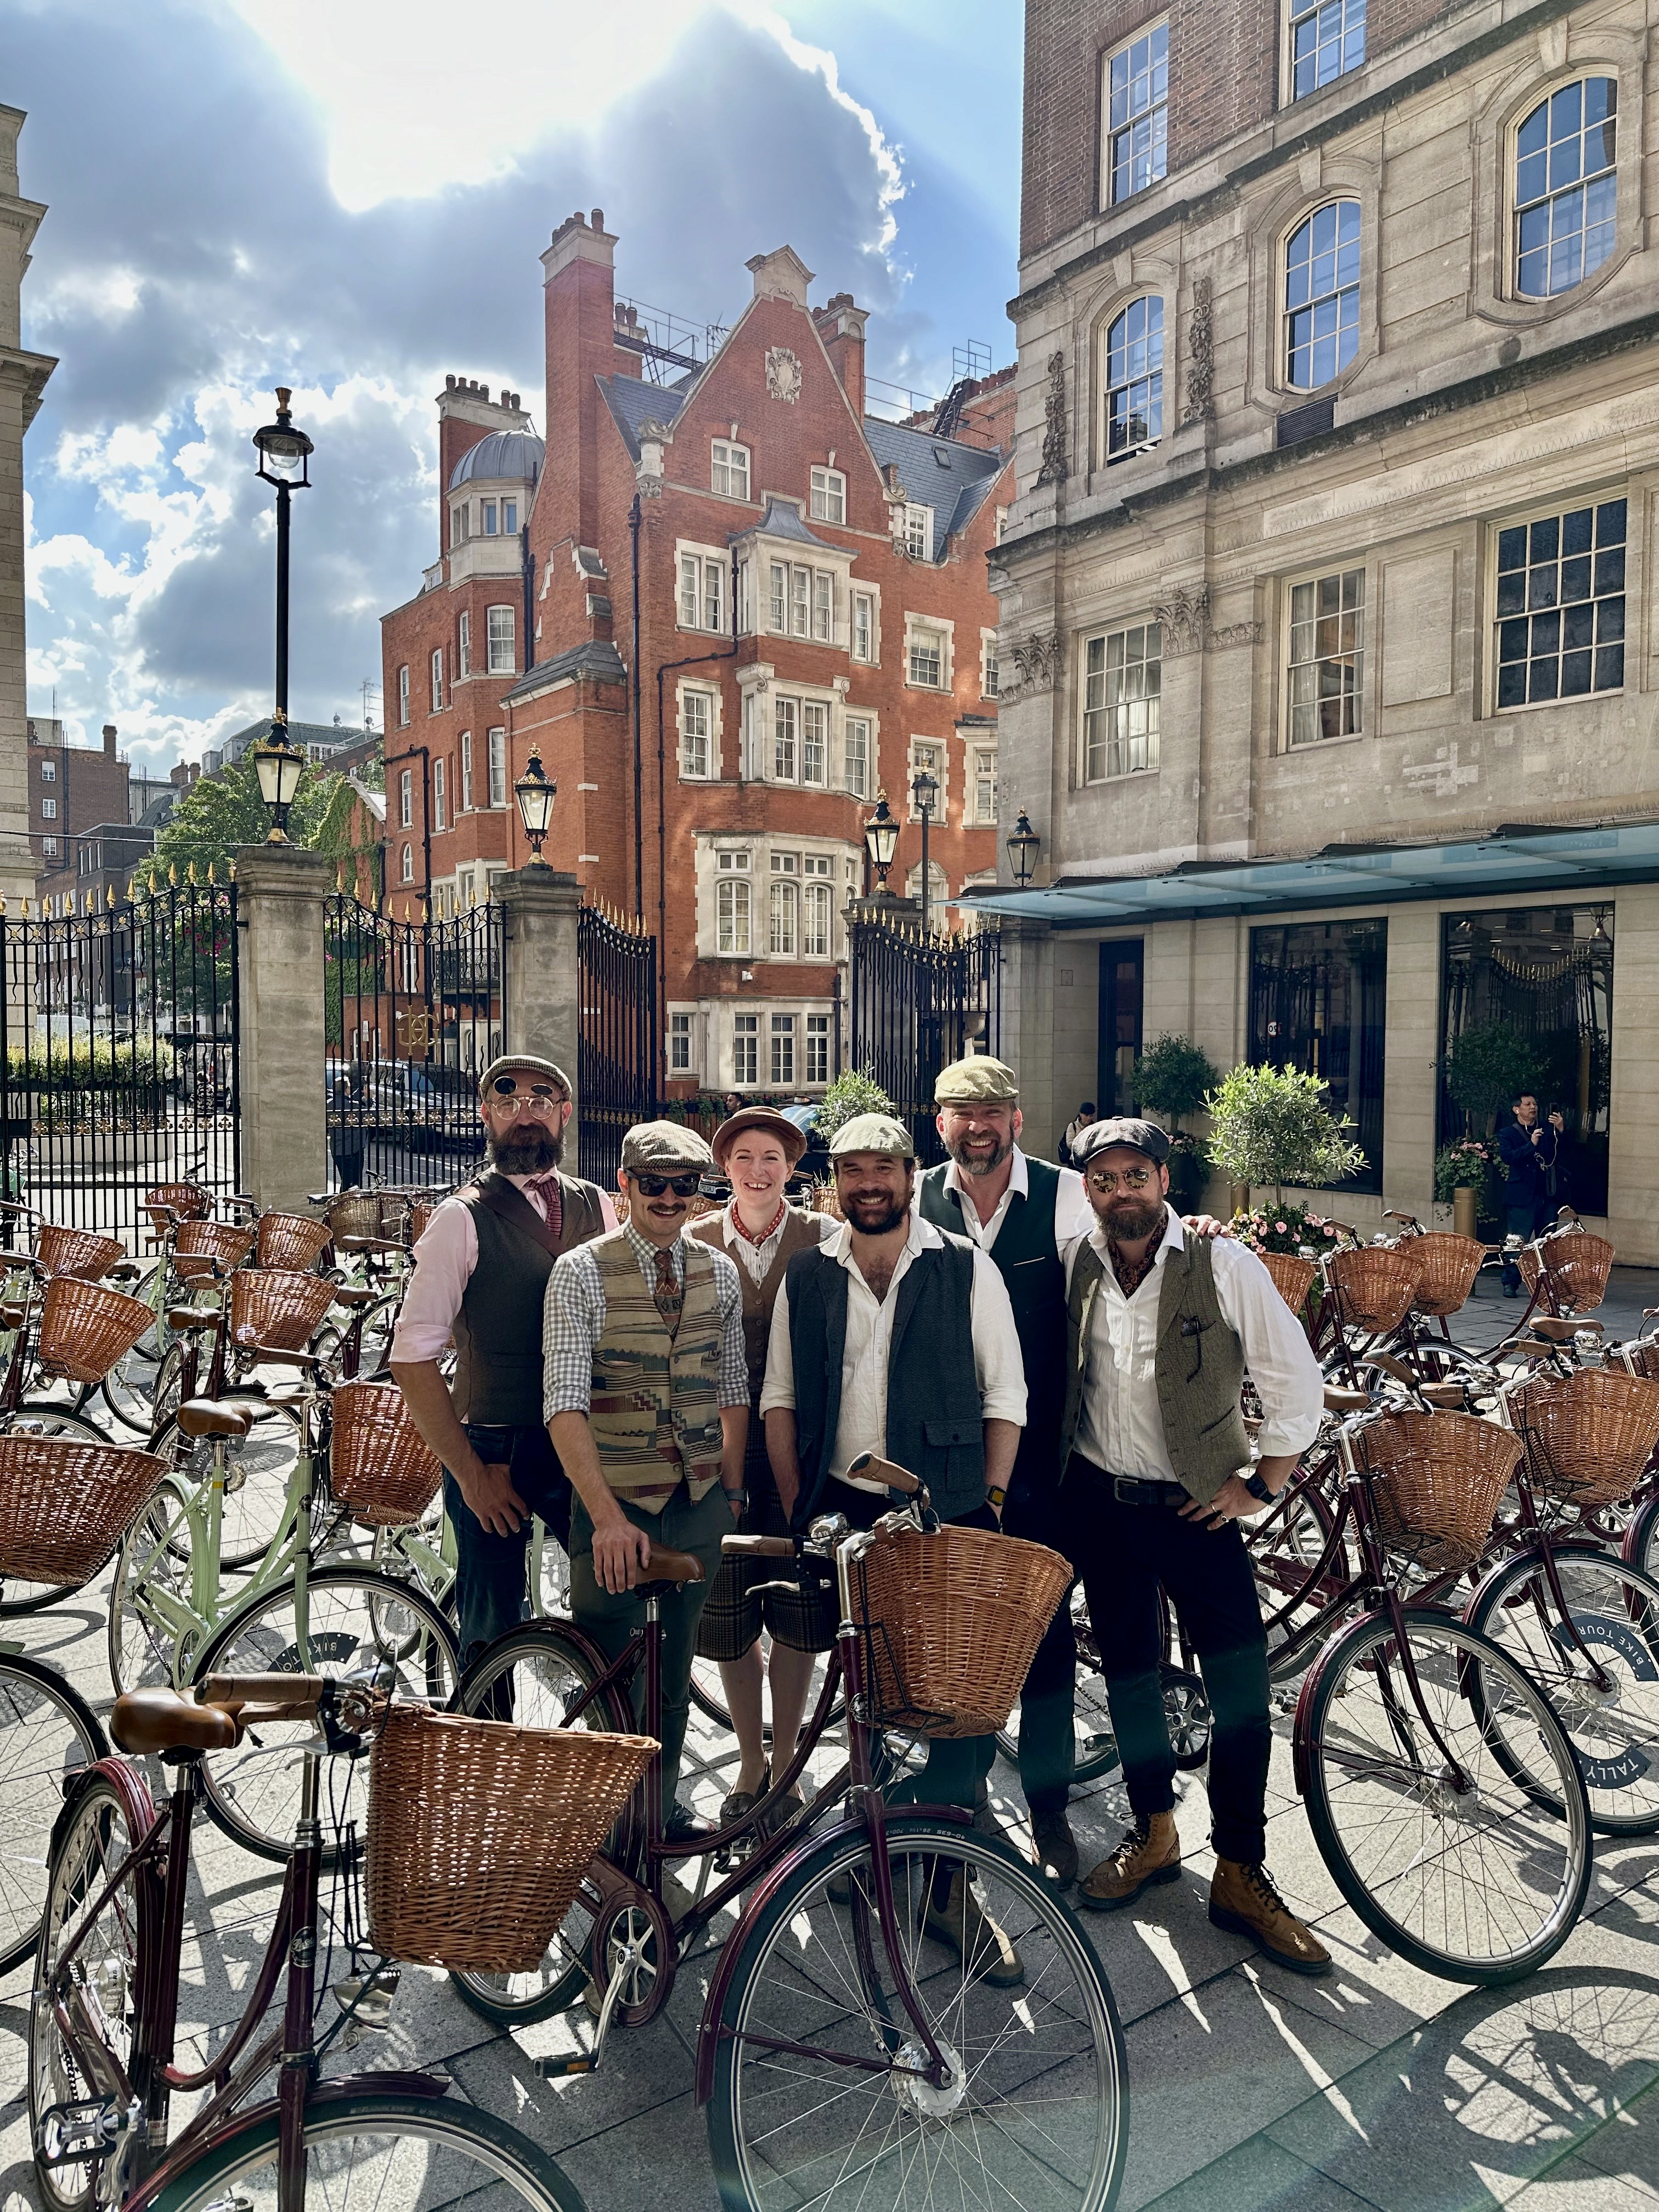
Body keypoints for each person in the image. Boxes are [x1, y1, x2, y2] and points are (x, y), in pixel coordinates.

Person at [762, 1111, 1029, 1982]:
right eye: (853, 1170)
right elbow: (781, 1396)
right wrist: (801, 1500)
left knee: (962, 1700)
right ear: (834, 1182)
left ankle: (953, 1882)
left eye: (884, 1168)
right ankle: (875, 1856)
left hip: (942, 1508)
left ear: (914, 1175)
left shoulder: (963, 1266)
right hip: (841, 1508)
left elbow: (1007, 1395)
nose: (869, 1183)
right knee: (865, 1687)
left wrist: (986, 1505)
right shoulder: (809, 1272)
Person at [1060, 1118, 1330, 1976]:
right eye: (1104, 1181)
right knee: (1131, 1680)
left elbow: (1296, 1379)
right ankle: (1154, 1833)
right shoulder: (1079, 1263)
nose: (1121, 1194)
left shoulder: (1222, 1262)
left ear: (1165, 1179)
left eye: (1135, 1176)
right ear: (1089, 1191)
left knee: (1242, 1696)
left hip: (1199, 1510)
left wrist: (1261, 1485)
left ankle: (1242, 1871)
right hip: (1107, 1505)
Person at [543, 1120, 749, 1831]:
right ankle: (603, 1830)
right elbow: (564, 1403)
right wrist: (604, 1517)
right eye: (653, 1183)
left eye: (683, 1185)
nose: (668, 1197)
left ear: (698, 1192)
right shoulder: (580, 1270)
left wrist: (730, 1492)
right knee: (612, 1675)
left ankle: (656, 1817)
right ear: (624, 1184)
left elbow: (732, 1391)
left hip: (697, 1503)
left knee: (674, 1675)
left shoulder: (719, 1272)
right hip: (616, 1503)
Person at [916, 1054, 1091, 1884]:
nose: (977, 1126)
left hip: (1044, 1459)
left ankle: (1050, 1806)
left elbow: (1135, 1252)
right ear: (939, 1121)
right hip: (945, 1458)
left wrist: (1196, 1230)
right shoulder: (914, 1197)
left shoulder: (1063, 1195)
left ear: (1018, 1119)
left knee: (1047, 1629)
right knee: (950, 1631)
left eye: (992, 1112)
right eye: (961, 1112)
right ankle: (958, 1794)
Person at [389, 1055, 614, 1671]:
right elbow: (411, 1359)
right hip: (494, 1446)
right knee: (490, 1625)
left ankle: (598, 1736)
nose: (526, 1116)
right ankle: (489, 1753)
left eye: (541, 1102)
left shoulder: (601, 1207)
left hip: (585, 1442)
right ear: (485, 1115)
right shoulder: (460, 1218)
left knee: (610, 1595)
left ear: (564, 1115)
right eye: (509, 1103)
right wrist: (468, 1474)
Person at [688, 1106, 837, 1827]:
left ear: (791, 1167)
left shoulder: (822, 1238)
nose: (757, 1170)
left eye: (771, 1157)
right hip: (717, 1444)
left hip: (798, 1444)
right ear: (725, 1167)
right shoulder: (693, 1239)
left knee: (799, 1606)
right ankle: (751, 1756)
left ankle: (790, 1763)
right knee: (728, 1608)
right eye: (743, 1156)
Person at [1499, 1090, 1555, 1295]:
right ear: (1517, 1109)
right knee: (1516, 1240)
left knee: (1547, 1239)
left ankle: (1546, 1283)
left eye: (1535, 1104)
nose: (1533, 1107)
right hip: (1521, 1195)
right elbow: (1509, 1157)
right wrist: (1531, 1144)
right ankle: (1510, 1282)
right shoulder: (1508, 1133)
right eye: (1528, 1104)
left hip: (1546, 1194)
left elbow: (1557, 1155)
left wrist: (1560, 1131)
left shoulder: (1546, 1131)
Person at [1063, 1101, 1097, 1169]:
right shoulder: (1073, 1126)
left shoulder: (1095, 1126)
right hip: (1076, 1161)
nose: (1089, 1118)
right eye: (1086, 1116)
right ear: (1081, 1114)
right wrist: (1084, 1144)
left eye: (1091, 1116)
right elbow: (1070, 1144)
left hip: (1090, 1160)